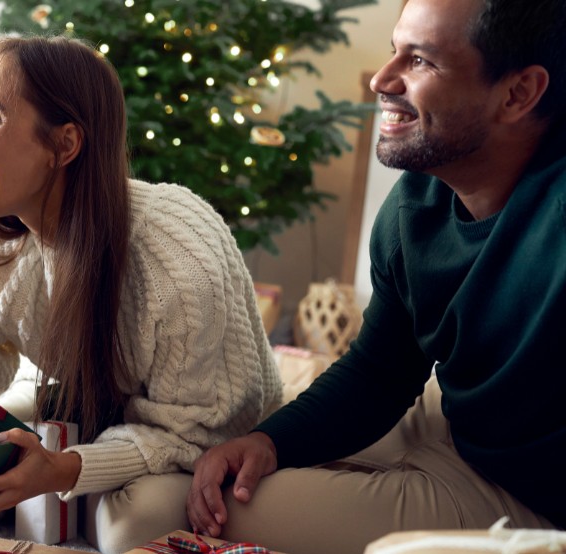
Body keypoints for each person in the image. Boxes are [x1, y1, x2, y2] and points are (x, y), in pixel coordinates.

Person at [0, 35, 282, 553]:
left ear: (64, 144)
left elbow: (194, 429)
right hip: (82, 399)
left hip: (205, 429)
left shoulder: (177, 259)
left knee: (128, 528)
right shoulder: (0, 240)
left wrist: (63, 469)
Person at [186, 0, 566, 552]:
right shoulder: (415, 204)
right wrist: (271, 441)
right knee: (174, 488)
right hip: (462, 426)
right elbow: (381, 371)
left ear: (519, 93)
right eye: (395, 50)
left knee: (204, 516)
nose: (382, 80)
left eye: (421, 61)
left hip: (528, 492)